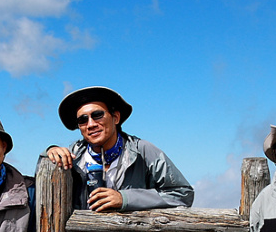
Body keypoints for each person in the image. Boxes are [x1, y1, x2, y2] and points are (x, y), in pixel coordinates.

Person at [44, 86, 194, 212]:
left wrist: (125, 199)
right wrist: (48, 153)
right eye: (82, 120)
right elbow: (42, 186)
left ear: (115, 118)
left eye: (97, 115)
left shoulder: (142, 151)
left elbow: (182, 194)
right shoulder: (72, 156)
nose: (90, 124)